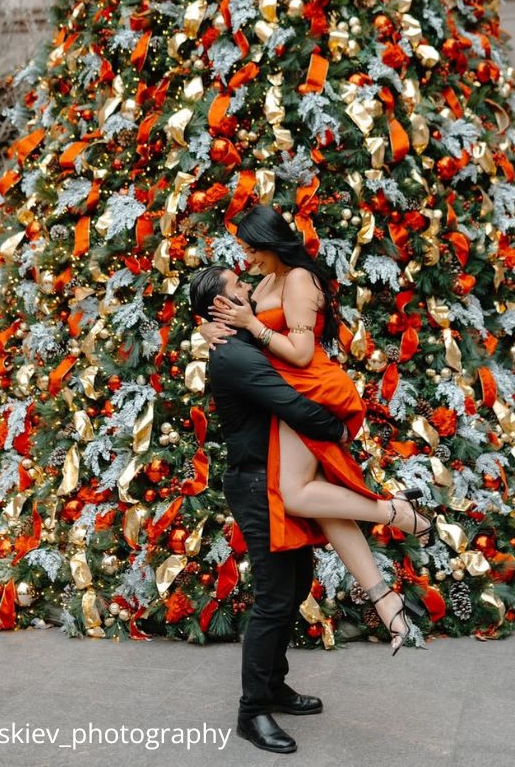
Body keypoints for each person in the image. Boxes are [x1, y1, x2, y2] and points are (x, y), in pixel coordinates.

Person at [201, 205, 434, 657]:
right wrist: (211, 329)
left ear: (272, 244)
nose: (246, 260)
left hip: (313, 391)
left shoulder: (299, 280)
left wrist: (251, 326)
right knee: (322, 500)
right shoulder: (268, 280)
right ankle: (386, 600)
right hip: (289, 396)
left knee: (296, 494)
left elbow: (304, 353)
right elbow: (240, 323)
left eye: (252, 251)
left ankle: (396, 513)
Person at [189, 263, 351, 756]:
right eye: (239, 288)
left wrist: (204, 327)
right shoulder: (235, 356)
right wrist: (340, 429)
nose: (251, 289)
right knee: (275, 597)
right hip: (258, 483)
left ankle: (274, 686)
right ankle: (251, 711)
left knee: (296, 583)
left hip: (278, 479)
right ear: (221, 306)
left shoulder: (239, 340)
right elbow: (290, 403)